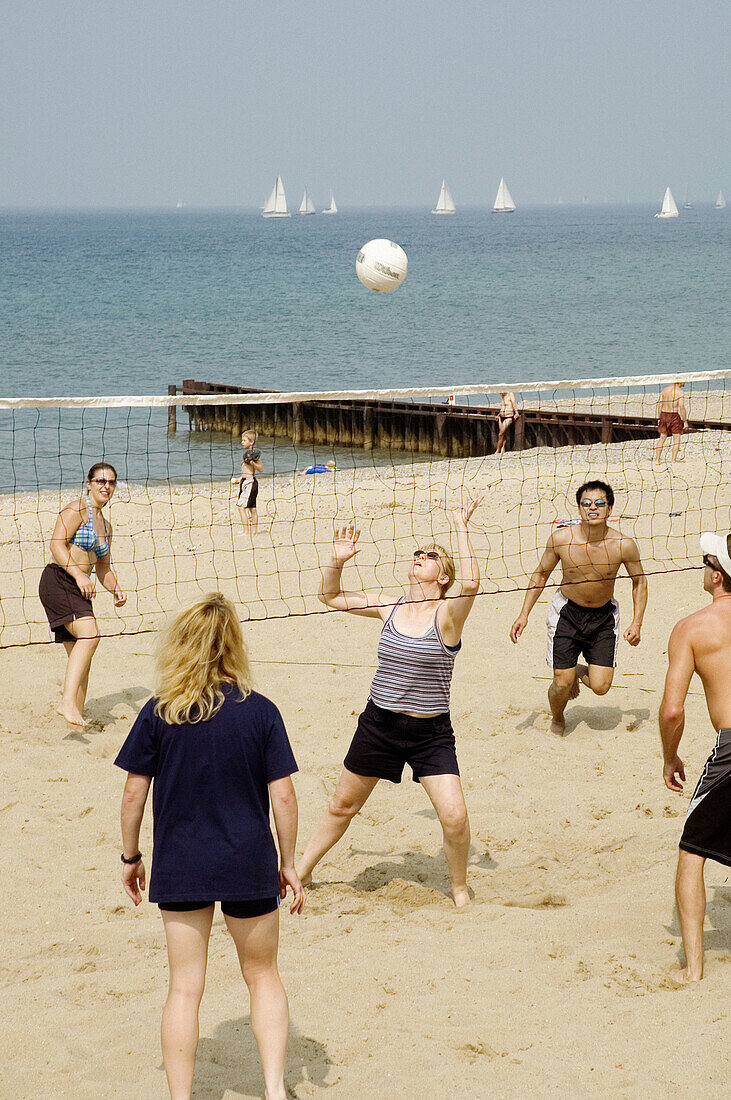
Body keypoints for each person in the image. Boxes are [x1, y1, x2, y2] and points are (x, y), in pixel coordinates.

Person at [115, 593, 304, 1100]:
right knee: (262, 975)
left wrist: (131, 857)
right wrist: (290, 864)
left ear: (181, 645)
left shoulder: (160, 712)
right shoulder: (260, 711)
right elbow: (282, 795)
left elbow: (134, 792)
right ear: (232, 645)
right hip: (248, 859)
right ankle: (273, 1089)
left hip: (181, 861)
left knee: (183, 987)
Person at [296, 495, 482, 908]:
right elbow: (331, 596)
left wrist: (460, 524)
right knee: (343, 805)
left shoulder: (448, 615)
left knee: (454, 817)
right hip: (378, 724)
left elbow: (472, 583)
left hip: (430, 733)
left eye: (430, 555)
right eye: (417, 552)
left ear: (442, 576)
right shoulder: (390, 604)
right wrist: (337, 560)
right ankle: (301, 872)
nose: (420, 556)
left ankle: (458, 889)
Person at [509, 480, 647, 735]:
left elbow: (639, 582)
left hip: (604, 617)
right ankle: (558, 716)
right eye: (586, 503)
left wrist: (637, 622)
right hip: (567, 613)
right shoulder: (562, 539)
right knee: (561, 684)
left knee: (601, 687)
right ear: (579, 508)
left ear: (610, 509)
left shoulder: (623, 545)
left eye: (599, 503)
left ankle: (577, 670)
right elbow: (540, 575)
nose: (592, 508)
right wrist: (523, 614)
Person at [659, 531, 731, 983]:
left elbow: (671, 710)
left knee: (692, 851)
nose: (702, 567)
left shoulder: (692, 627)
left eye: (707, 560)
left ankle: (695, 971)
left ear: (719, 575)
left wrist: (670, 758)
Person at [38, 462, 126, 727]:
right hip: (59, 580)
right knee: (91, 635)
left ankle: (75, 712)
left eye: (111, 482)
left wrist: (116, 589)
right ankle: (66, 702)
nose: (106, 486)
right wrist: (78, 575)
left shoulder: (106, 526)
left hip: (81, 587)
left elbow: (103, 568)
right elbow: (56, 544)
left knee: (82, 654)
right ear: (89, 484)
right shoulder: (77, 509)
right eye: (100, 481)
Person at [231, 429, 263, 535]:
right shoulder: (247, 454)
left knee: (242, 507)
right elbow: (246, 471)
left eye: (244, 440)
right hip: (245, 482)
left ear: (251, 442)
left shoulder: (254, 454)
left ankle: (246, 531)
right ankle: (253, 531)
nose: (242, 442)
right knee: (251, 508)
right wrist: (239, 479)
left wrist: (252, 462)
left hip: (250, 483)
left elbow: (260, 468)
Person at [655, 381, 687, 464]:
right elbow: (681, 406)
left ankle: (657, 460)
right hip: (673, 415)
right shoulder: (680, 392)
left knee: (662, 438)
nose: (685, 382)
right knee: (676, 438)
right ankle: (673, 461)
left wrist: (659, 417)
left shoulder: (665, 390)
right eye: (684, 380)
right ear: (680, 382)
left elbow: (660, 404)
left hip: (663, 414)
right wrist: (685, 421)